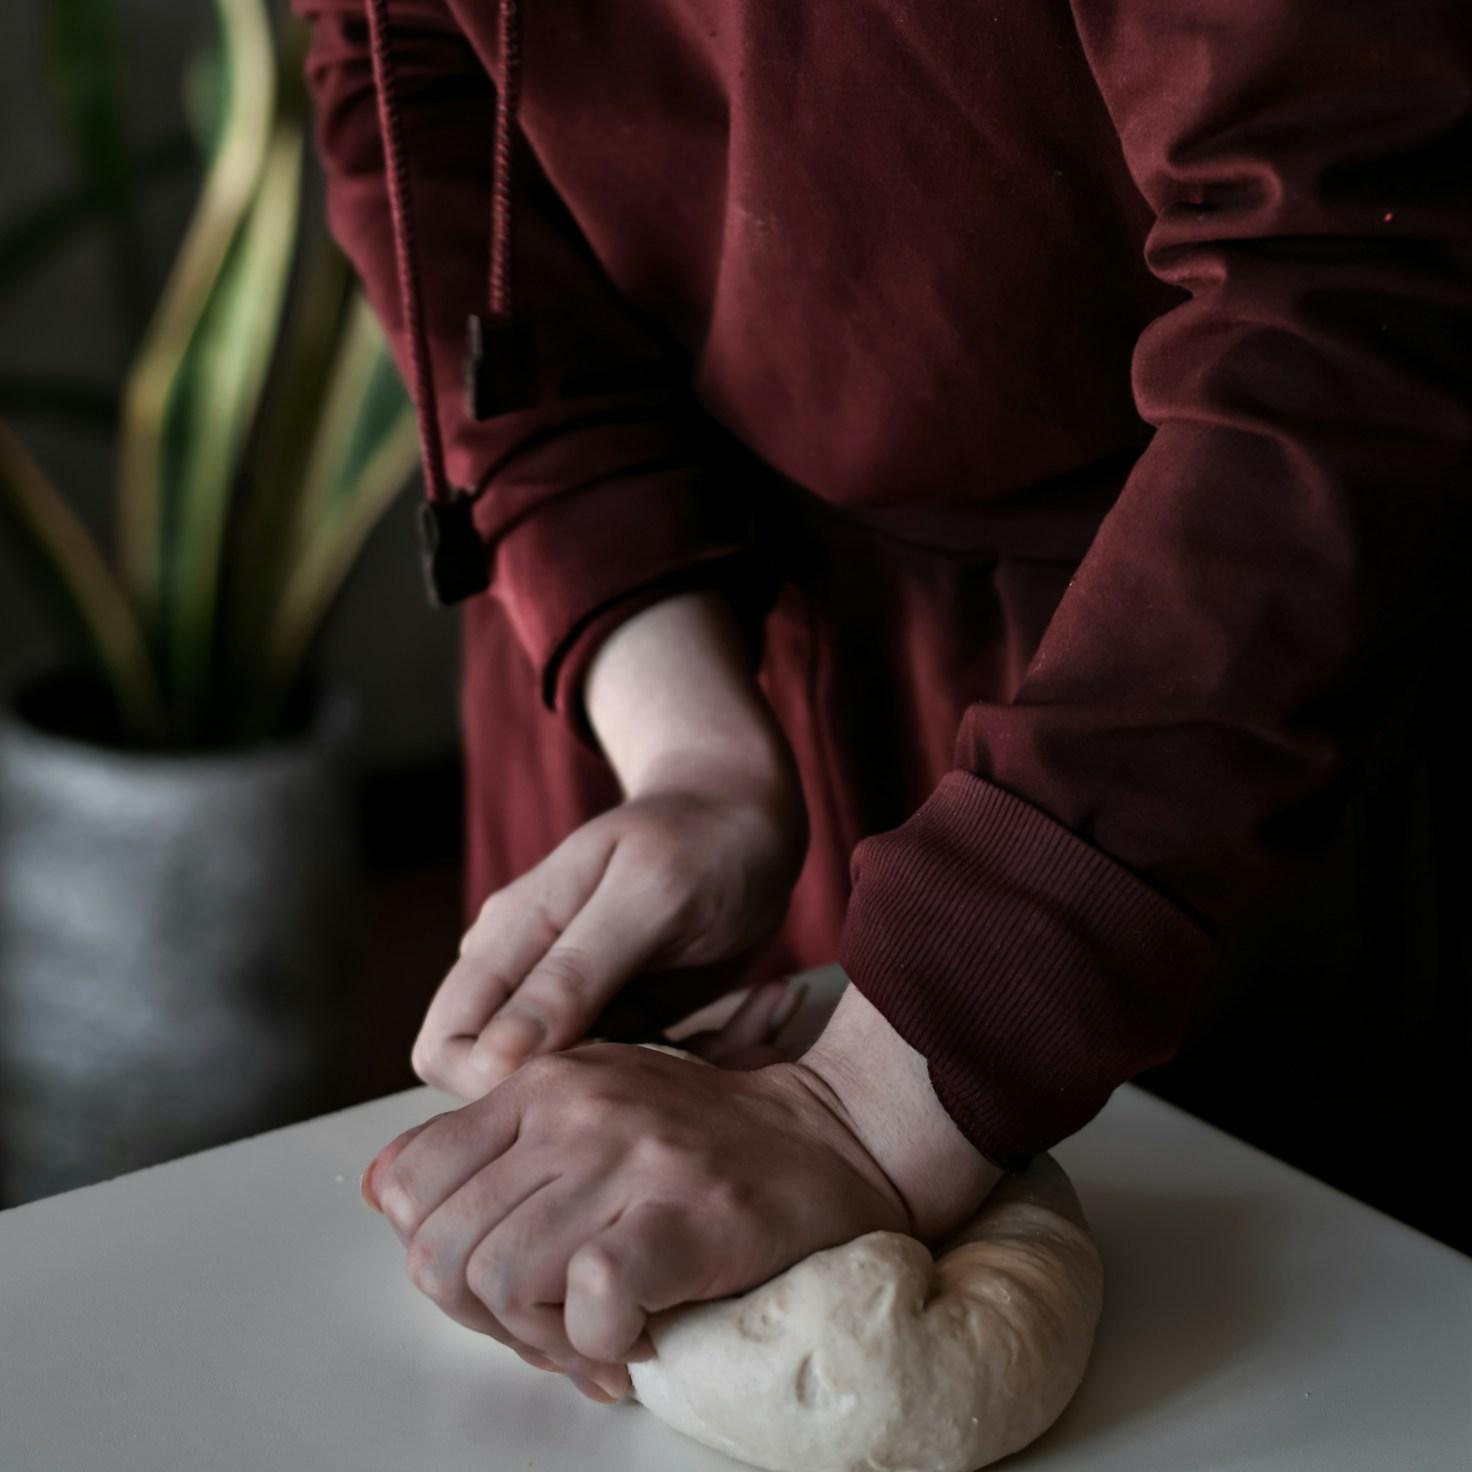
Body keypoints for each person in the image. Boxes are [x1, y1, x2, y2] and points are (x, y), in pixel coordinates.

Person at [293, 0, 1470, 1406]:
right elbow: (410, 81)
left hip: (1179, 693)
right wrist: (689, 748)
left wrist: (888, 1087)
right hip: (668, 646)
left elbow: (1348, 291)